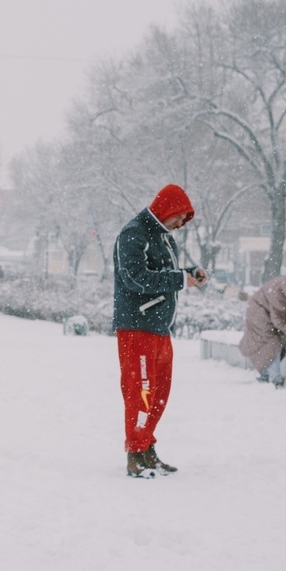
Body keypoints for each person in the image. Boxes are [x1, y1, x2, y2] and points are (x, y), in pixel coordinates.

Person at [112, 184, 206, 478]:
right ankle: (135, 453)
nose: (181, 225)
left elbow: (162, 273)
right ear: (167, 210)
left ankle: (147, 447)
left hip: (160, 327)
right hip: (137, 327)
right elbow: (135, 279)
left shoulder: (164, 238)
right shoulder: (133, 234)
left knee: (159, 394)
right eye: (179, 217)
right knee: (140, 393)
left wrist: (188, 274)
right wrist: (180, 279)